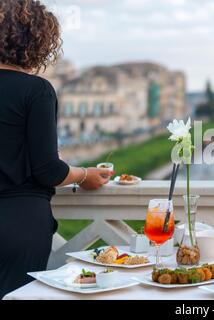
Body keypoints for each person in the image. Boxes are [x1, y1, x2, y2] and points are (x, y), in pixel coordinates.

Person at [0, 0, 113, 298]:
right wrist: (85, 174)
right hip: (18, 222)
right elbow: (48, 170)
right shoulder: (35, 90)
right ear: (37, 41)